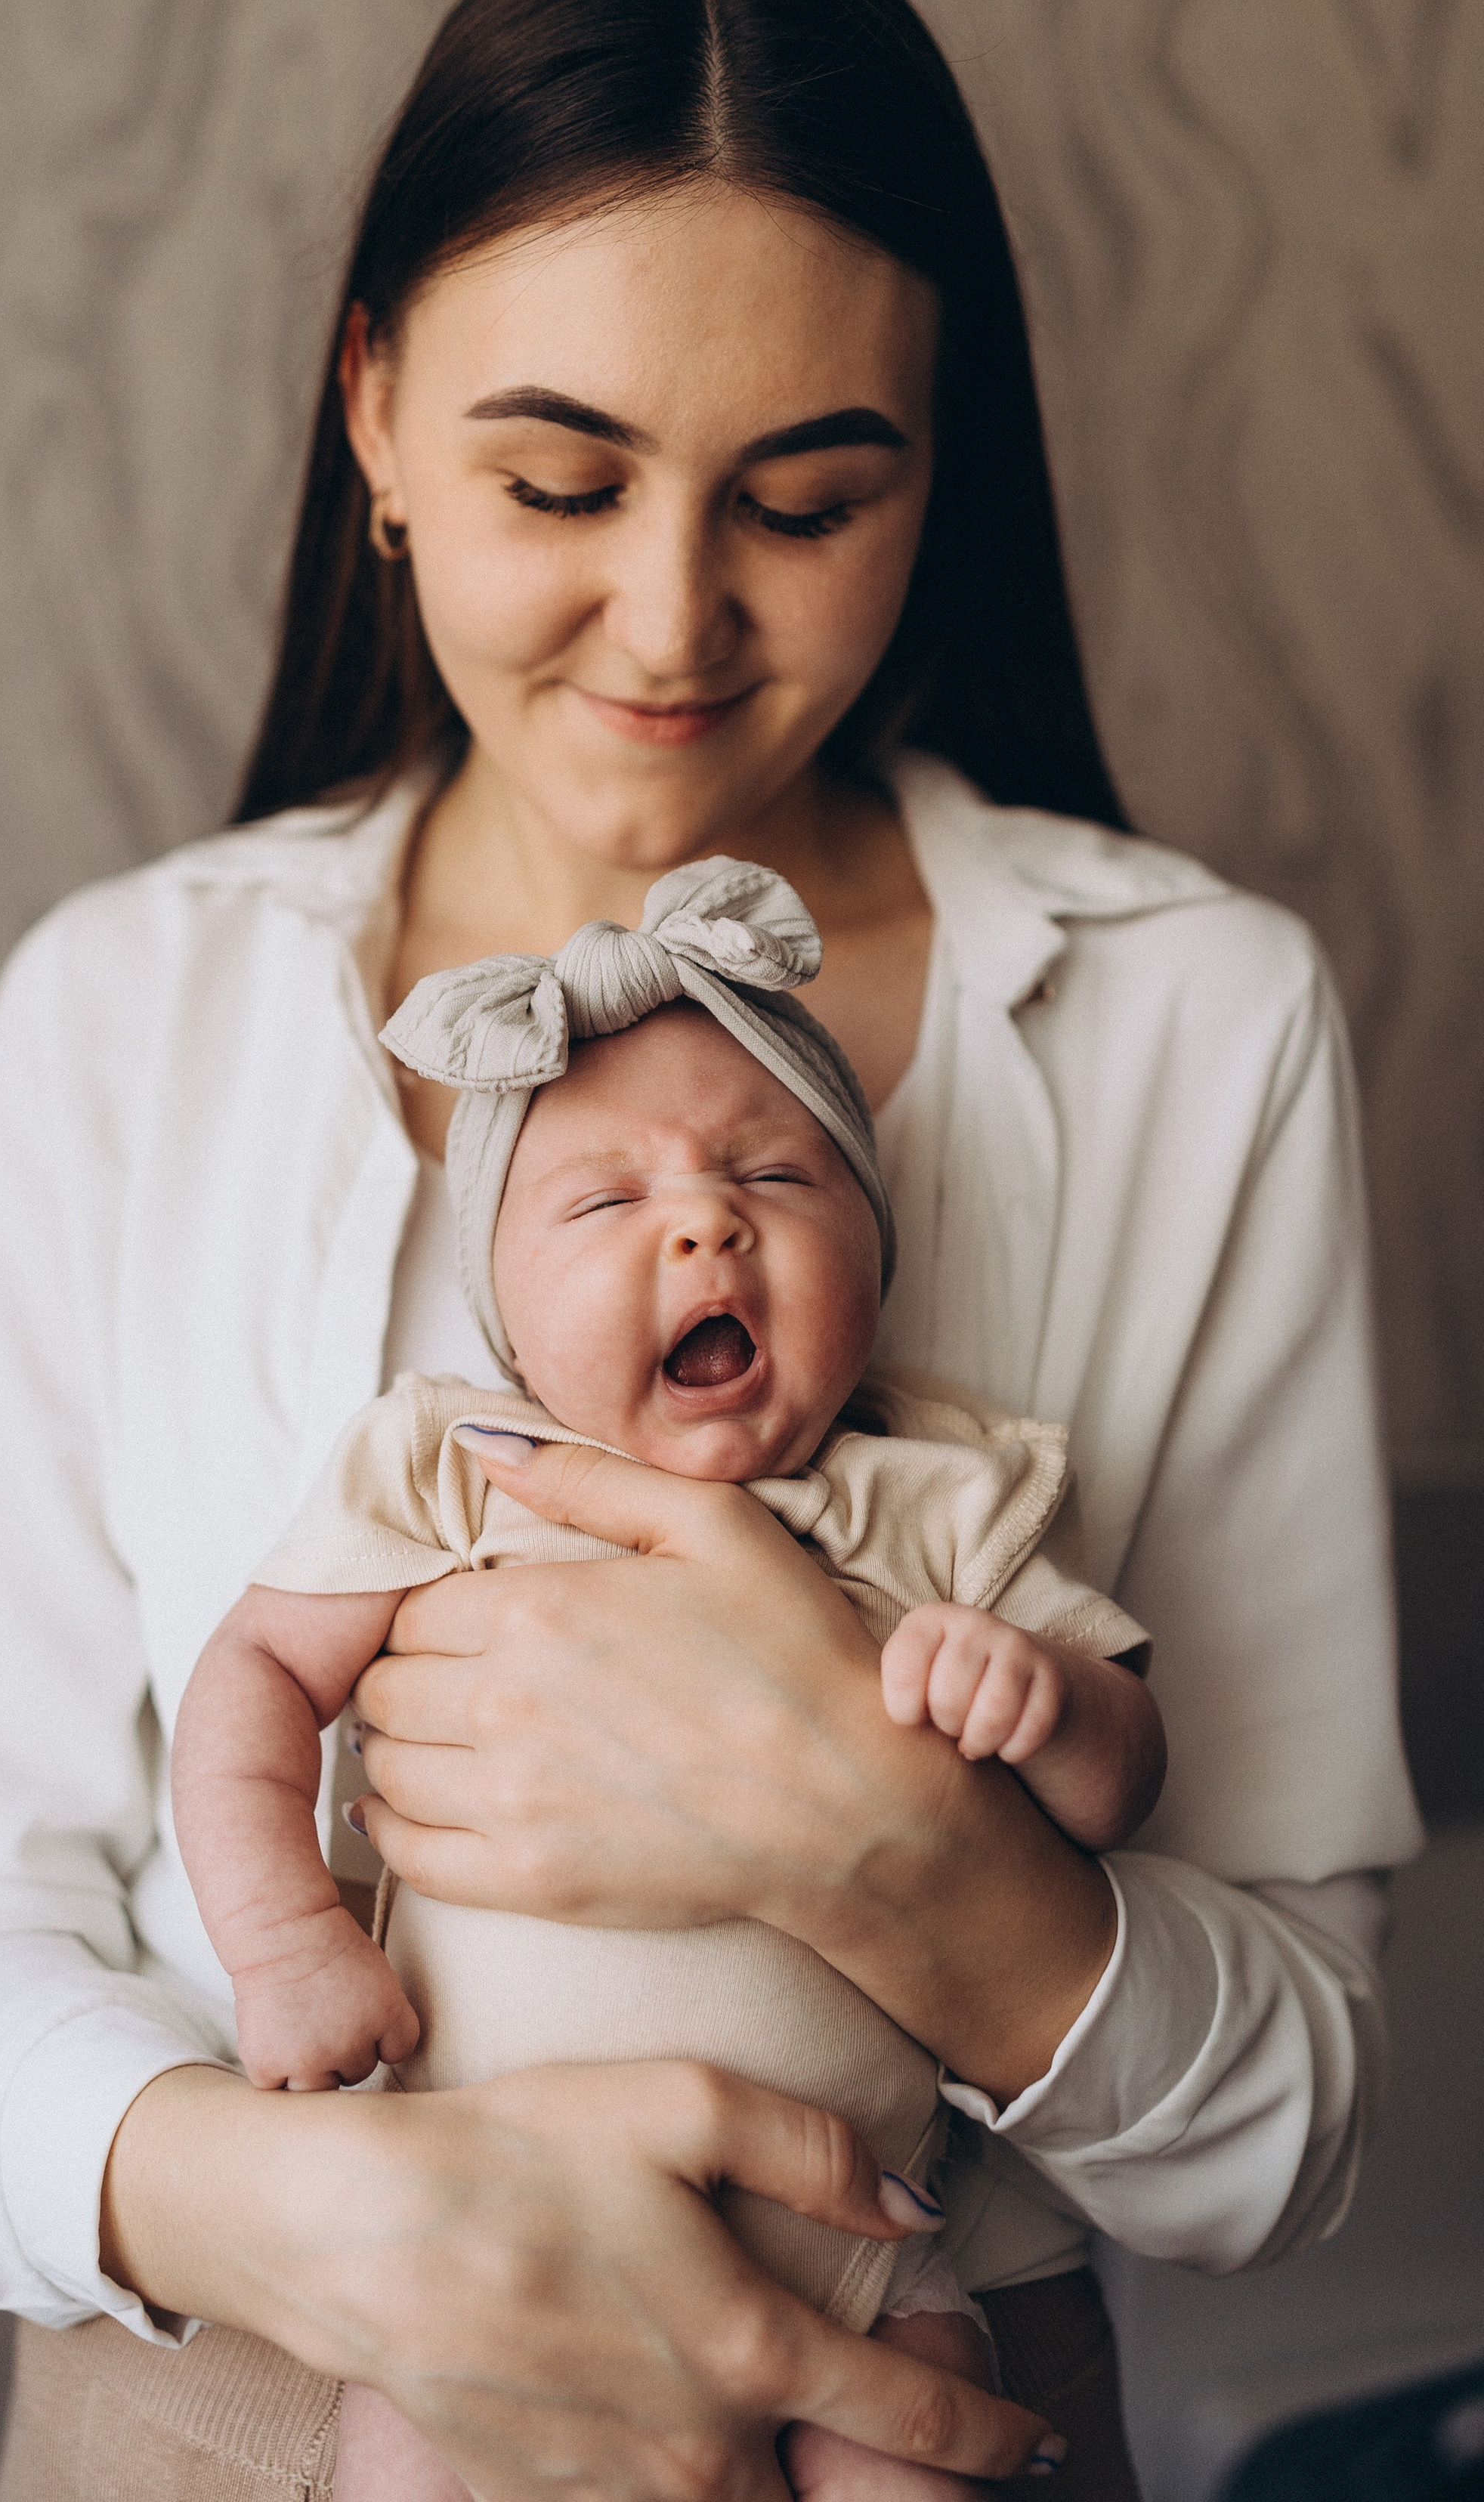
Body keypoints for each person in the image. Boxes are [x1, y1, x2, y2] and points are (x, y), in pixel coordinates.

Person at [0, 0, 1422, 2502]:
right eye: (558, 481)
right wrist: (367, 2232)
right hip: (230, 2405)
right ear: (373, 413)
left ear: (938, 474)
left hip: (923, 2385)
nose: (671, 621)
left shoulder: (1190, 1022)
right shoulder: (133, 1011)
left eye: (808, 498)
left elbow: (1289, 2127)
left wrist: (876, 1837)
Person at [175, 856, 1166, 2502]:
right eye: (603, 1203)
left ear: (877, 1254)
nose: (704, 1218)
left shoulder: (930, 1501)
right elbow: (259, 1670)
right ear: (501, 1305)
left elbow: (1126, 1776)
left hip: (857, 2246)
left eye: (773, 1173)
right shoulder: (453, 1466)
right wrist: (281, 1940)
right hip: (482, 2234)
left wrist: (1049, 1703)